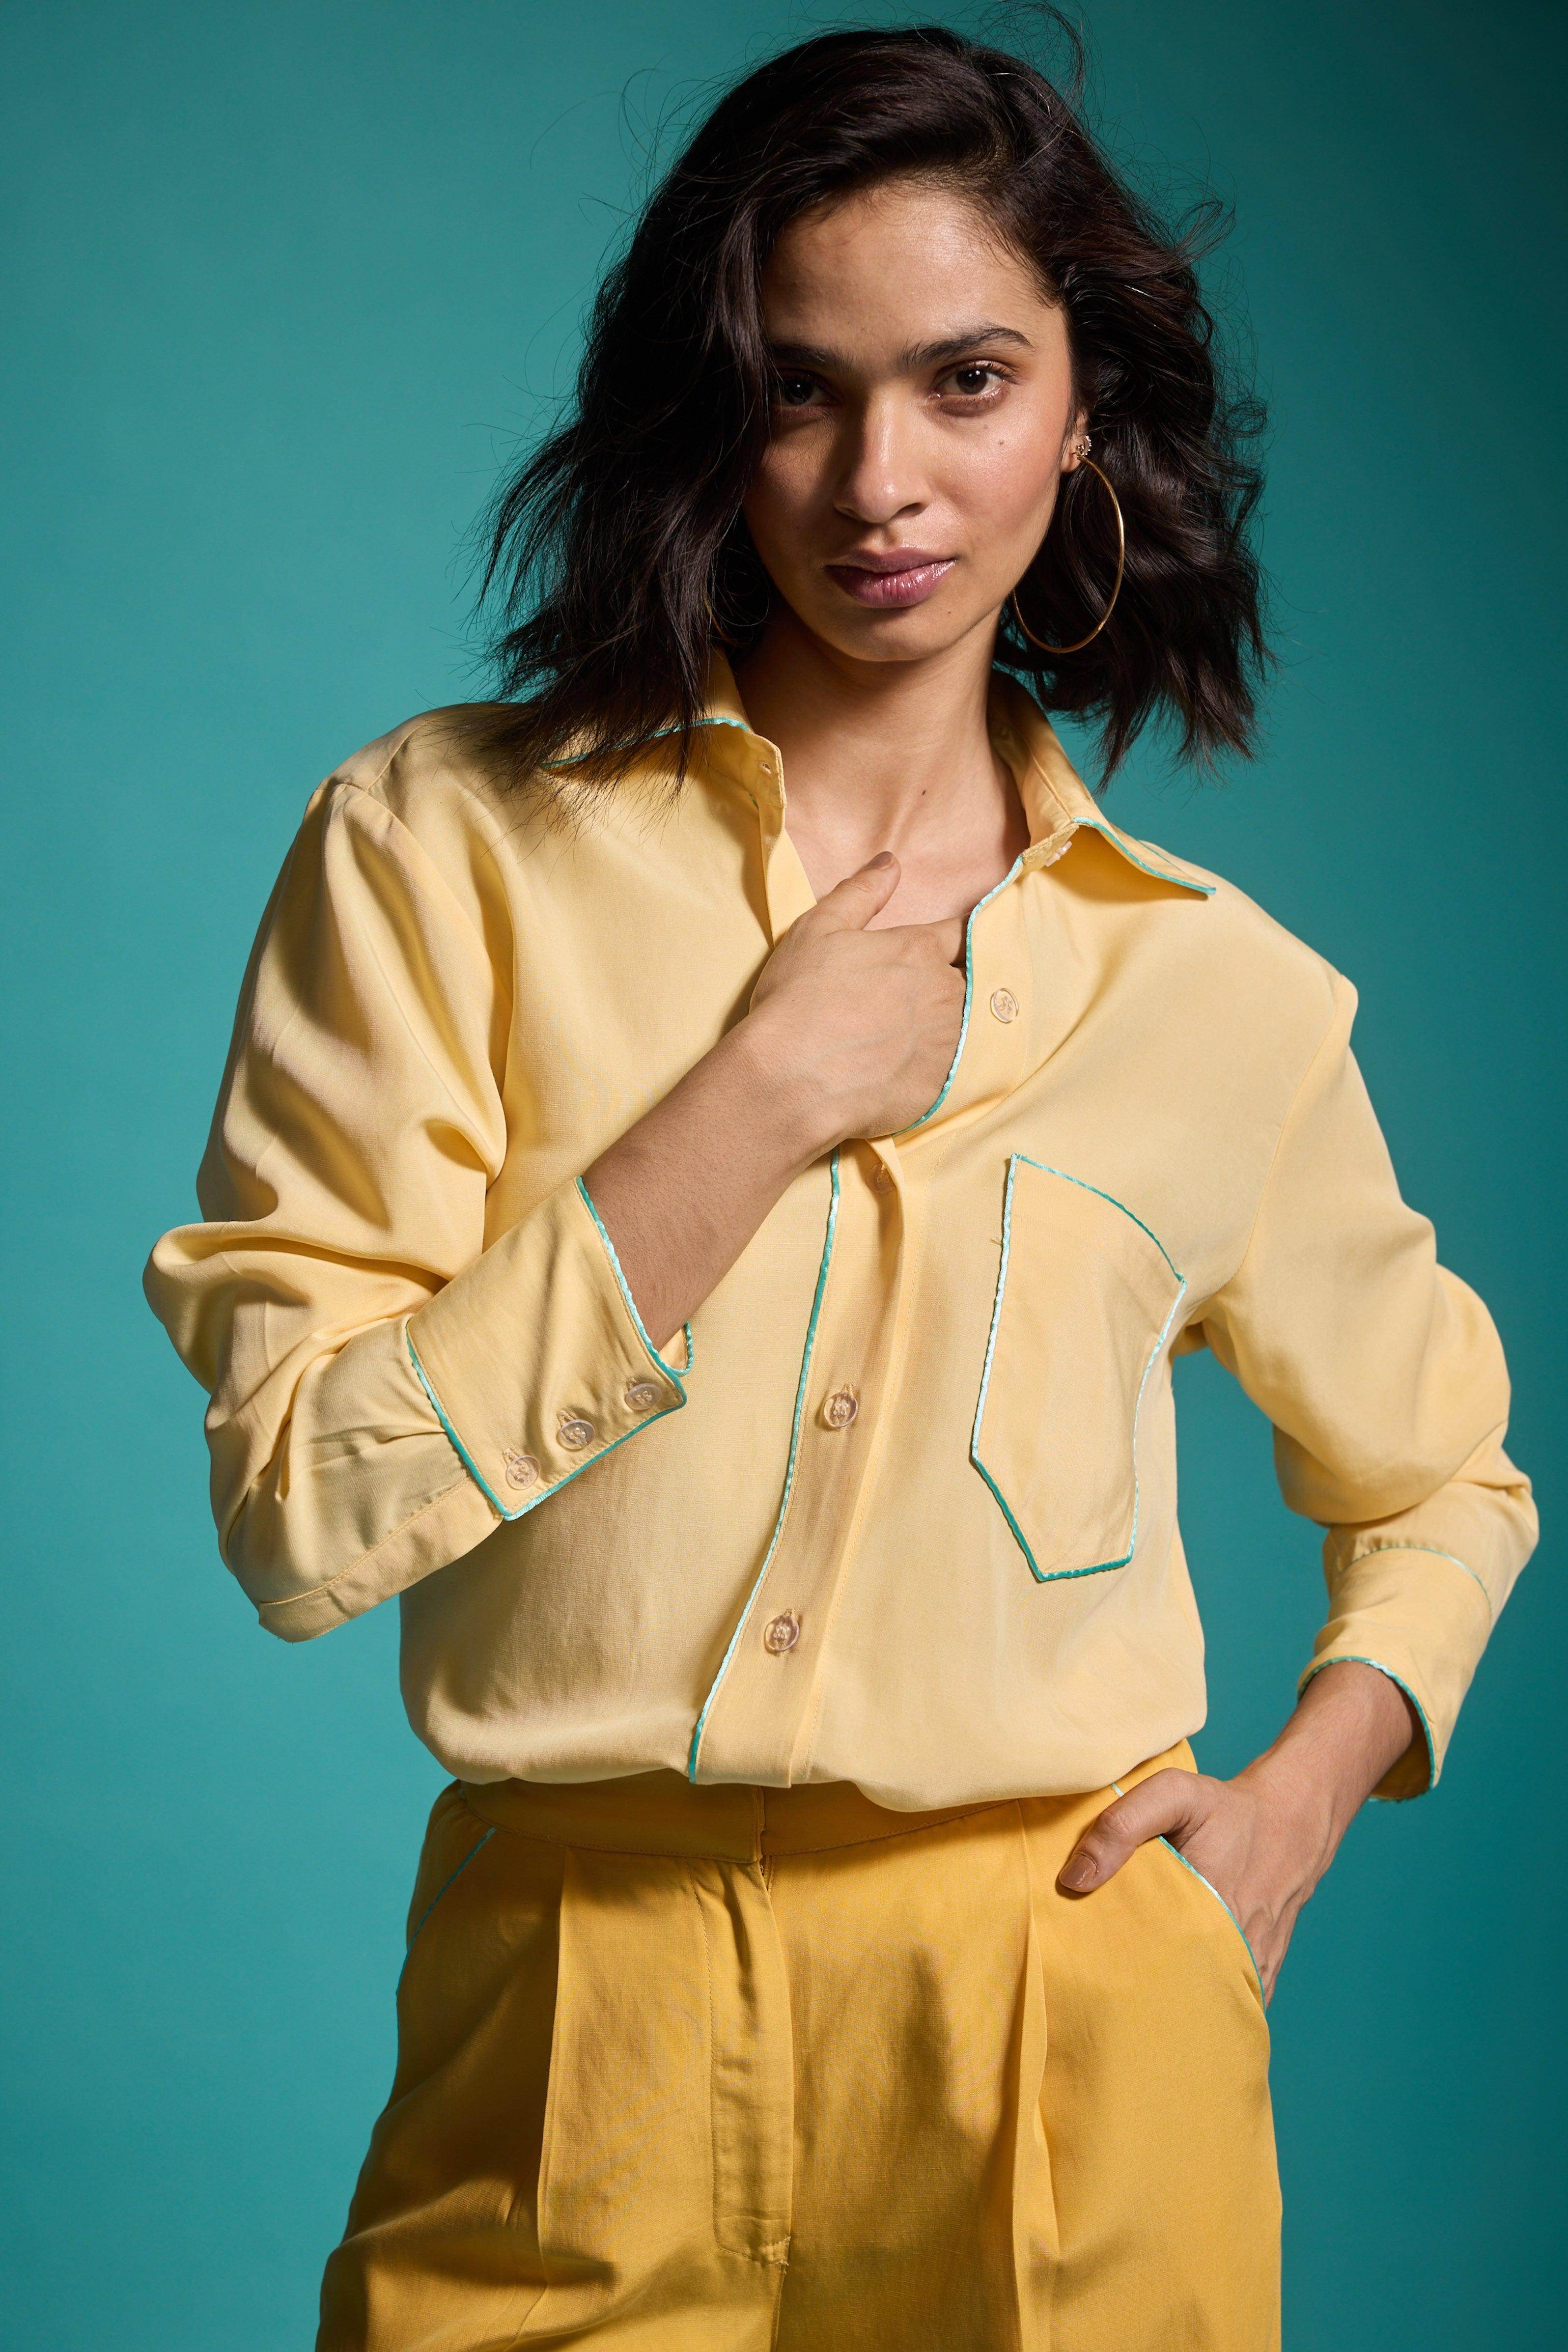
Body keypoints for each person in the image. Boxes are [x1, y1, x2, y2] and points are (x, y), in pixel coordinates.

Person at [144, 21, 1536, 2351]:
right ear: (711, 420)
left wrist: (1298, 1798)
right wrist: (749, 1102)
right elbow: (303, 1511)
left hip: (1060, 2016)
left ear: (1081, 408)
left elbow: (1440, 1484)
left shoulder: (1226, 999)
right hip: (566, 2005)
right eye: (797, 394)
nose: (879, 482)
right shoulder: (437, 852)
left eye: (965, 382)